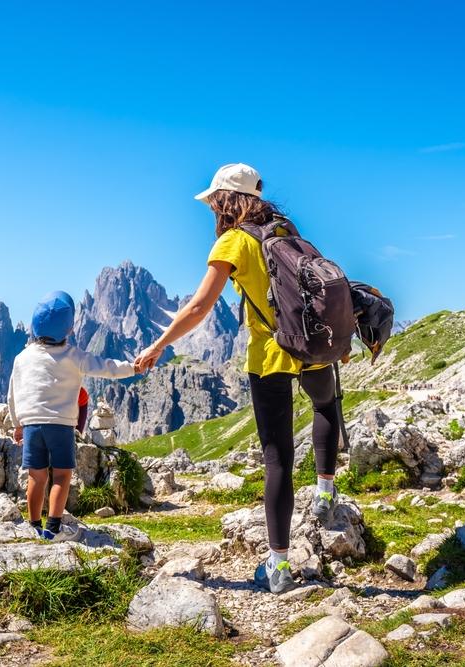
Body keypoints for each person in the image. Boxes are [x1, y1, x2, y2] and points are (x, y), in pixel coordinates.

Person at [134, 164, 344, 594]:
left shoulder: (233, 240)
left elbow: (197, 307)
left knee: (278, 458)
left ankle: (279, 568)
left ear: (224, 201)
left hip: (270, 354)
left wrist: (158, 346)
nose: (211, 207)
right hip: (312, 343)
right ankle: (326, 491)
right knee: (325, 405)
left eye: (213, 201)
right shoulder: (285, 228)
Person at [8, 291, 135, 541]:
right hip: (62, 425)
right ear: (68, 329)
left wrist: (17, 425)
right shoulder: (74, 356)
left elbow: (13, 394)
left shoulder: (22, 358)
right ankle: (54, 528)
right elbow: (106, 367)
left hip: (32, 424)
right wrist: (133, 367)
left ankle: (33, 526)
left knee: (36, 476)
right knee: (62, 475)